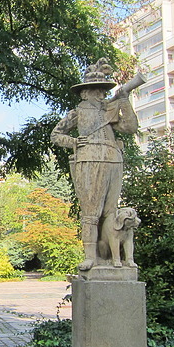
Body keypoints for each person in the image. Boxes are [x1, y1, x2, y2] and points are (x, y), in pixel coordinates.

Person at [51, 59, 141, 271]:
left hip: (113, 159)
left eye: (103, 90)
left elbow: (130, 127)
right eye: (95, 90)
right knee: (91, 214)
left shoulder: (109, 111)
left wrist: (124, 100)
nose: (101, 94)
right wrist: (73, 142)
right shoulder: (78, 113)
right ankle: (90, 257)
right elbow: (56, 134)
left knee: (111, 211)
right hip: (89, 160)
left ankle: (112, 258)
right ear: (84, 93)